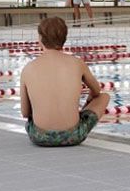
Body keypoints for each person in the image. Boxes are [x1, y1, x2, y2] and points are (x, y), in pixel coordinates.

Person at [20, 17, 110, 147]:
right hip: (73, 136)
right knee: (104, 97)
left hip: (39, 136)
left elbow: (25, 113)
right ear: (64, 39)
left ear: (40, 39)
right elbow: (97, 91)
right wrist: (88, 101)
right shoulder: (77, 63)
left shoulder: (28, 68)